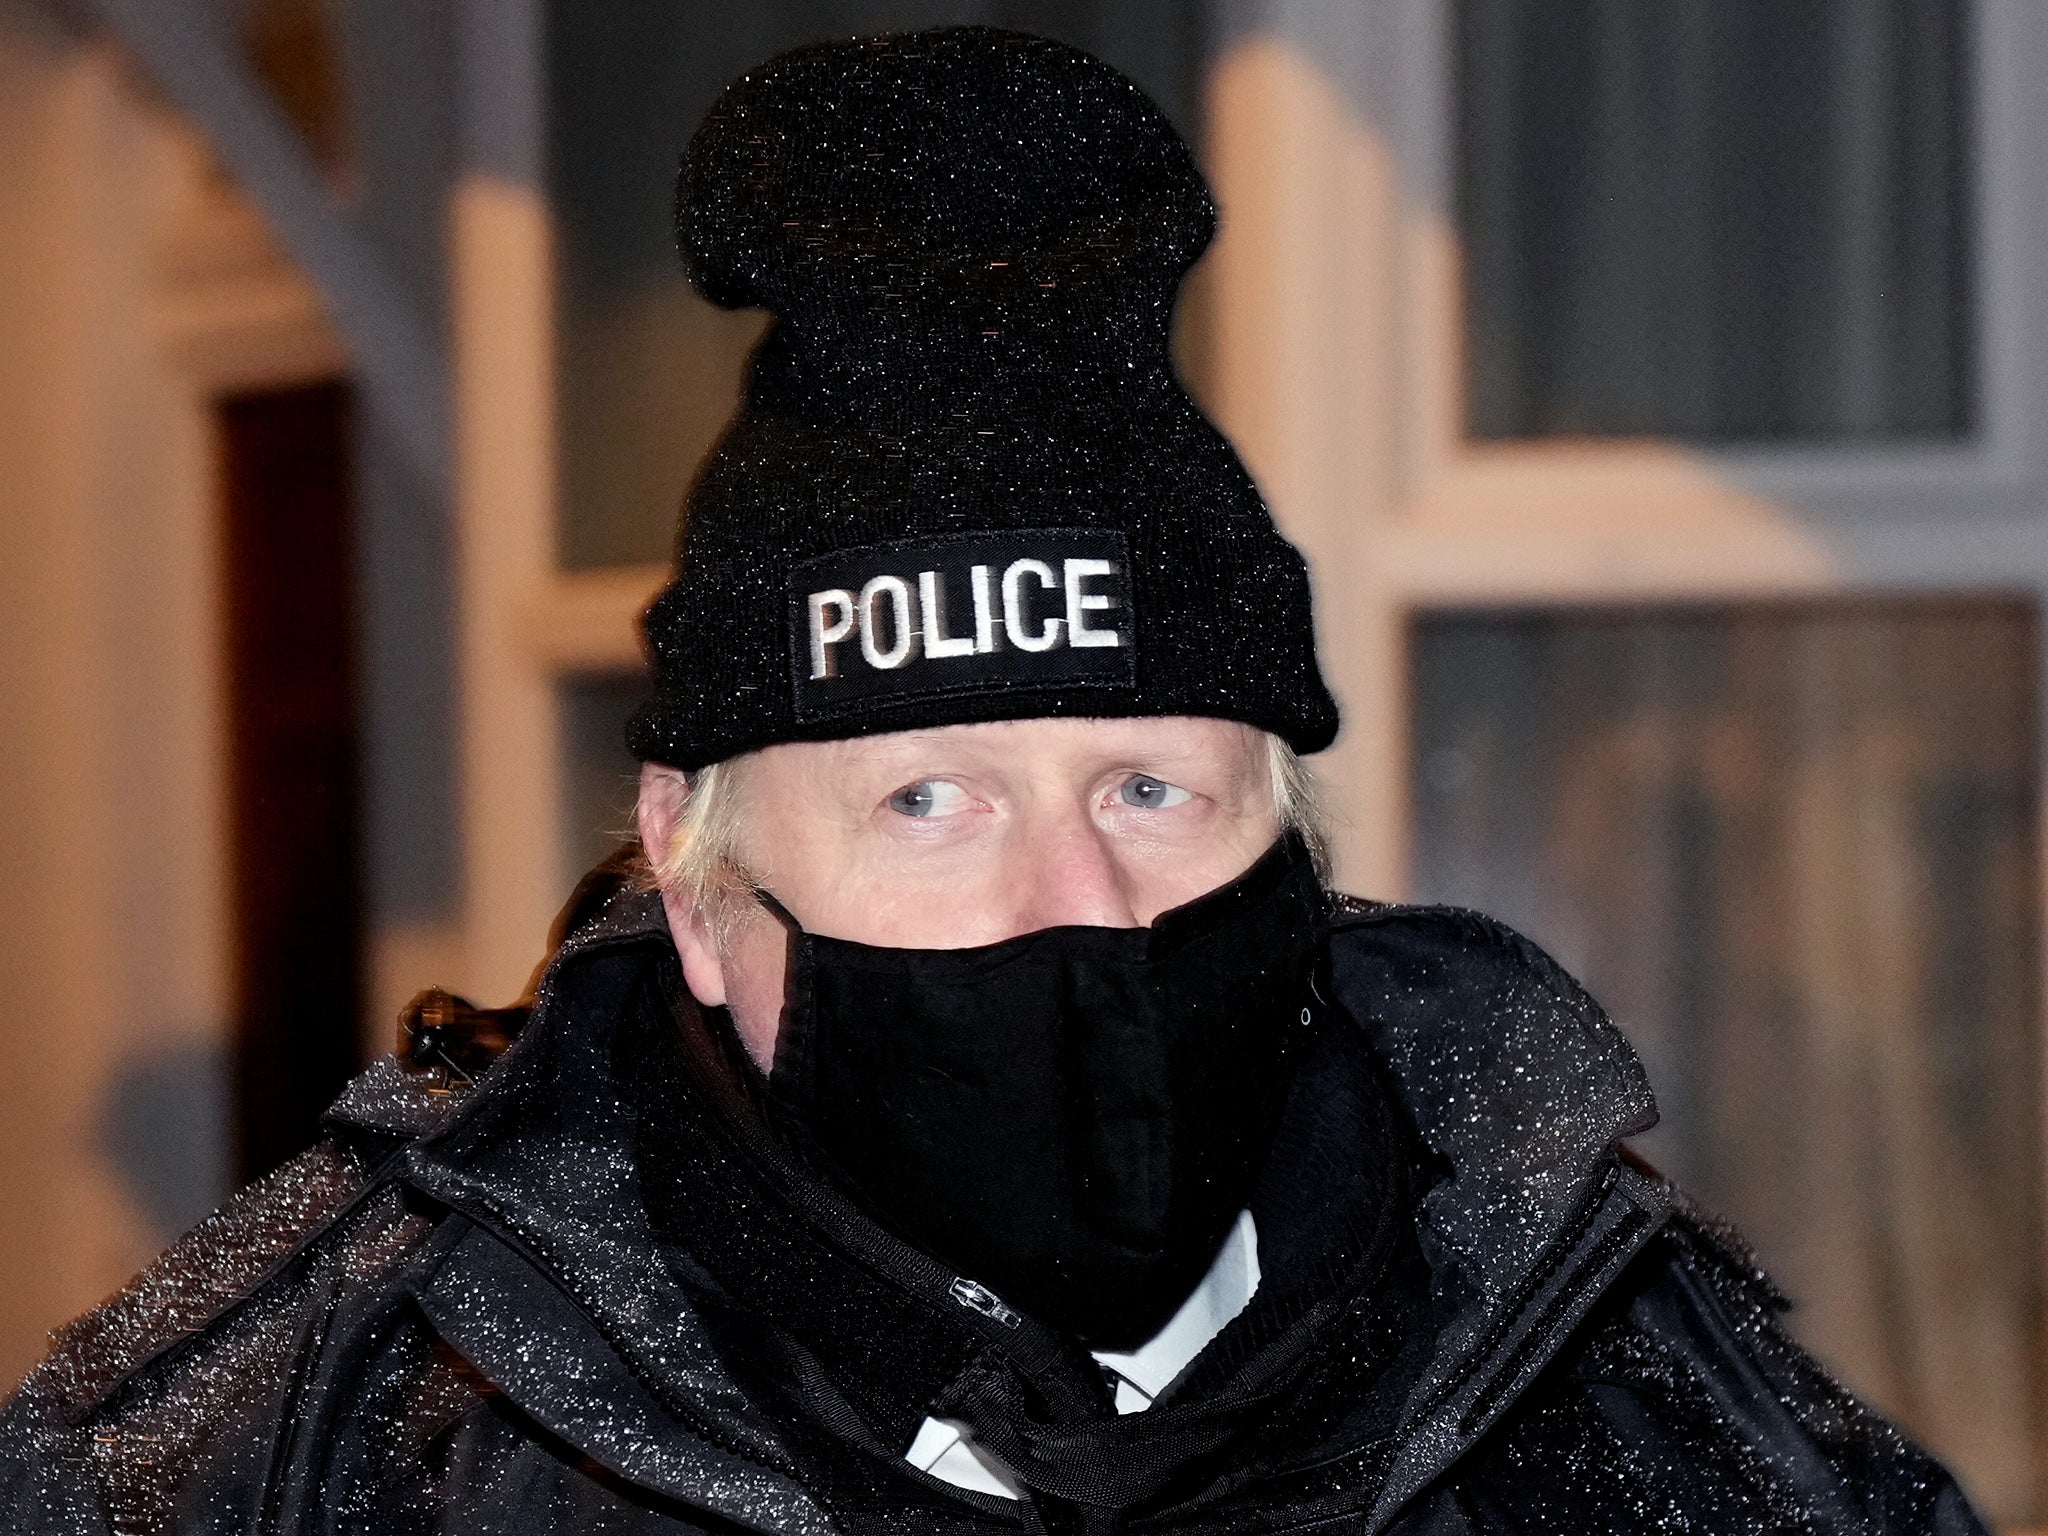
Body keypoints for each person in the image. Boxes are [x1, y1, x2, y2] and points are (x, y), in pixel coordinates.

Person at [0, 26, 1987, 1535]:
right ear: (693, 886)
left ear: (1294, 846)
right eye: (923, 803)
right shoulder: (337, 1426)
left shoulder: (1629, 1379)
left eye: (1149, 790)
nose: (1080, 911)